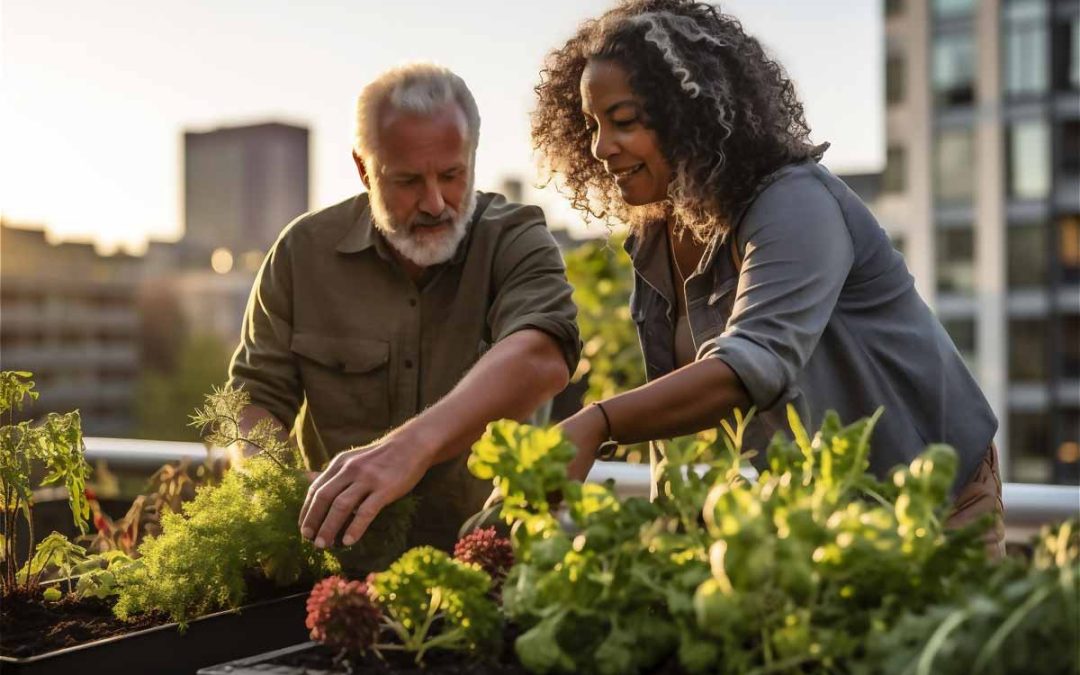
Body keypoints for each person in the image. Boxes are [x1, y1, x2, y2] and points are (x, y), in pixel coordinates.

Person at [532, 0, 1005, 556]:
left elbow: (748, 367)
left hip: (929, 506)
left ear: (689, 112)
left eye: (625, 120)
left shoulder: (795, 202)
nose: (600, 147)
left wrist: (597, 424)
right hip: (815, 529)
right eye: (591, 125)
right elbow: (689, 421)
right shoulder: (655, 235)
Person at [228, 62, 580, 553]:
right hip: (335, 569)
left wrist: (409, 449)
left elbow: (541, 355)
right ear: (362, 168)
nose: (436, 203)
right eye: (409, 181)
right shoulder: (300, 252)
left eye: (453, 175)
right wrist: (279, 487)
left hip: (490, 566)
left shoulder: (516, 237)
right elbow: (253, 398)